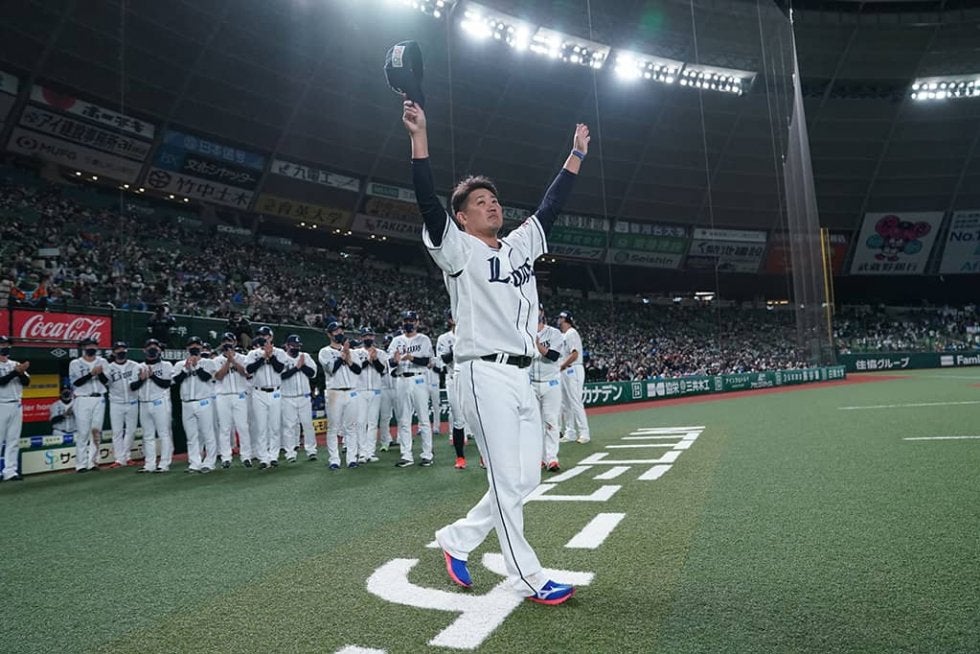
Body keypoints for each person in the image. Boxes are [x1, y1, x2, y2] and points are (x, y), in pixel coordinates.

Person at [403, 97, 587, 604]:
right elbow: (426, 202)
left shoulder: (519, 244)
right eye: (480, 202)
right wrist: (420, 139)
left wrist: (575, 156)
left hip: (523, 375)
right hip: (481, 375)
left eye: (494, 199)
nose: (492, 204)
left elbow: (551, 206)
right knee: (510, 479)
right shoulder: (457, 249)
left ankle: (456, 539)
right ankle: (527, 577)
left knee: (523, 479)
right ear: (461, 218)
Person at [387, 311, 435, 468]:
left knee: (423, 419)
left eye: (411, 320)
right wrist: (395, 361)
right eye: (406, 320)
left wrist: (411, 358)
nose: (409, 323)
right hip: (402, 380)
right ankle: (406, 455)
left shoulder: (423, 339)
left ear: (417, 322)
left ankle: (427, 454)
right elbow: (391, 363)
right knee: (403, 419)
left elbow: (427, 361)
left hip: (419, 378)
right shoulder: (396, 341)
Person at [318, 321, 362, 469]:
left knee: (351, 427)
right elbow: (331, 369)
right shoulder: (324, 351)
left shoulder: (352, 352)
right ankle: (334, 460)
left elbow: (357, 370)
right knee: (333, 427)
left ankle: (351, 459)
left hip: (351, 391)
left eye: (340, 330)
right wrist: (342, 356)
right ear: (329, 334)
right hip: (334, 392)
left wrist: (348, 357)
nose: (339, 333)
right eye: (335, 331)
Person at [244, 326, 288, 469]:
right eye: (261, 335)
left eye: (266, 335)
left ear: (271, 337)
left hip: (275, 391)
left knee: (274, 426)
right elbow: (248, 370)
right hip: (259, 392)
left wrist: (271, 356)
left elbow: (280, 369)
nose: (263, 338)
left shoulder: (280, 352)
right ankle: (263, 457)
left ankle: (273, 455)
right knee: (261, 426)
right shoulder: (253, 354)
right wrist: (263, 357)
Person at [172, 336, 218, 473]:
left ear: (201, 347)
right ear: (187, 348)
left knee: (207, 433)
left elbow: (206, 377)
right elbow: (176, 381)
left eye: (197, 345)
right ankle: (194, 462)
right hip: (186, 403)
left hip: (204, 401)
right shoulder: (180, 364)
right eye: (191, 345)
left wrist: (196, 365)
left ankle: (209, 462)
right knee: (191, 436)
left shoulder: (208, 362)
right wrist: (186, 369)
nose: (194, 347)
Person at [130, 339, 173, 473]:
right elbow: (132, 386)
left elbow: (166, 384)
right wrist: (142, 379)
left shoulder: (166, 365)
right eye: (149, 346)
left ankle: (164, 464)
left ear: (160, 350)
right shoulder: (138, 367)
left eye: (155, 346)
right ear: (144, 350)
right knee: (147, 435)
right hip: (143, 403)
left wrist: (152, 376)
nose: (153, 348)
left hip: (160, 401)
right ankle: (149, 464)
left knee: (164, 434)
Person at [213, 332, 253, 468]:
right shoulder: (216, 360)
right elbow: (218, 376)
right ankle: (226, 457)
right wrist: (228, 361)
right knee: (224, 428)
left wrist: (234, 361)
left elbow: (246, 373)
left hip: (239, 394)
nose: (227, 344)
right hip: (223, 395)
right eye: (224, 342)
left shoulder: (243, 357)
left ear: (235, 343)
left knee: (243, 426)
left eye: (229, 341)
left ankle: (246, 456)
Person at [69, 337, 109, 472]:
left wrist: (100, 373)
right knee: (83, 432)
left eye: (94, 345)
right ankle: (80, 464)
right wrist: (91, 374)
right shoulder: (75, 363)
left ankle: (93, 462)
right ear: (83, 347)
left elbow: (107, 382)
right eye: (88, 345)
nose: (91, 347)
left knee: (96, 431)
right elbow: (76, 383)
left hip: (99, 398)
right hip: (82, 398)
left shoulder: (102, 361)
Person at [532, 307, 565, 472]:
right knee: (534, 424)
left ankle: (552, 458)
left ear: (542, 313)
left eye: (538, 310)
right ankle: (539, 458)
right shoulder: (524, 333)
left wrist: (537, 345)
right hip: (531, 383)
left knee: (550, 421)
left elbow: (553, 355)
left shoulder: (554, 333)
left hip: (550, 383)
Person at [436, 313, 469, 469]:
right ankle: (460, 457)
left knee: (478, 417)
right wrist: (457, 347)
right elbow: (445, 359)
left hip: (471, 377)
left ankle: (485, 457)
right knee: (458, 419)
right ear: (450, 320)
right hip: (453, 377)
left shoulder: (472, 333)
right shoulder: (444, 338)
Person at [280, 334, 317, 463]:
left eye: (297, 346)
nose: (295, 348)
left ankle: (311, 451)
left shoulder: (305, 356)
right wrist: (297, 367)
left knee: (307, 425)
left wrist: (302, 365)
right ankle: (290, 452)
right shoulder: (281, 357)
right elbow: (281, 376)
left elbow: (313, 374)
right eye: (293, 345)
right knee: (289, 426)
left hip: (304, 396)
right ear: (287, 345)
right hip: (287, 397)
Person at [106, 341, 141, 468]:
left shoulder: (135, 365)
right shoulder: (108, 368)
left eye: (123, 349)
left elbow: (137, 383)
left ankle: (126, 456)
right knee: (117, 432)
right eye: (118, 349)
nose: (121, 351)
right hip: (116, 402)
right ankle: (119, 459)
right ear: (114, 352)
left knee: (131, 431)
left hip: (132, 401)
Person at [0, 336, 30, 481]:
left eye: (6, 344)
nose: (5, 346)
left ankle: (10, 471)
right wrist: (15, 372)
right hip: (1, 404)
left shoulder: (15, 363)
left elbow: (26, 382)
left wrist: (21, 372)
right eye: (2, 344)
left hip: (16, 404)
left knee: (13, 439)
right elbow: (1, 382)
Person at [353, 327, 385, 464]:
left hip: (376, 390)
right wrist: (368, 360)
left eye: (370, 336)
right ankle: (362, 452)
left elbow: (382, 370)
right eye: (365, 336)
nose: (368, 338)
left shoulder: (381, 353)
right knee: (361, 422)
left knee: (372, 423)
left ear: (374, 337)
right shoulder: (355, 353)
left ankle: (370, 452)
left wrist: (375, 359)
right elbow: (355, 369)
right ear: (361, 338)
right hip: (360, 390)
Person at [558, 310, 590, 444]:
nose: (559, 319)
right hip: (566, 369)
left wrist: (562, 365)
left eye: (561, 317)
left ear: (566, 320)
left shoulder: (572, 333)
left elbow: (575, 354)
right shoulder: (563, 335)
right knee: (566, 403)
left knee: (575, 401)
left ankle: (584, 433)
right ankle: (570, 432)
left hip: (573, 369)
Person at [49, 386, 75, 460]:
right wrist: (65, 414)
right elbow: (53, 420)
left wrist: (76, 412)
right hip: (59, 433)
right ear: (60, 394)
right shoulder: (55, 405)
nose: (66, 394)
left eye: (68, 392)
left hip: (75, 433)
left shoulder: (76, 403)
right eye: (64, 392)